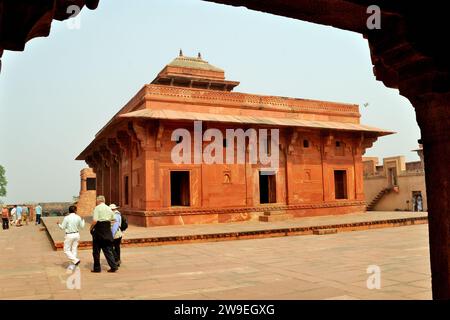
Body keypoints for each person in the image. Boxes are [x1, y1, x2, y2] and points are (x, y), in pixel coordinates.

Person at [90, 196, 118, 273]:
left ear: (98, 201)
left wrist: (91, 228)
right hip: (107, 230)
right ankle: (113, 266)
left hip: (99, 230)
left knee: (96, 251)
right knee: (107, 250)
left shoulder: (97, 208)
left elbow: (95, 220)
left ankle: (97, 268)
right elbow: (113, 218)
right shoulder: (109, 208)